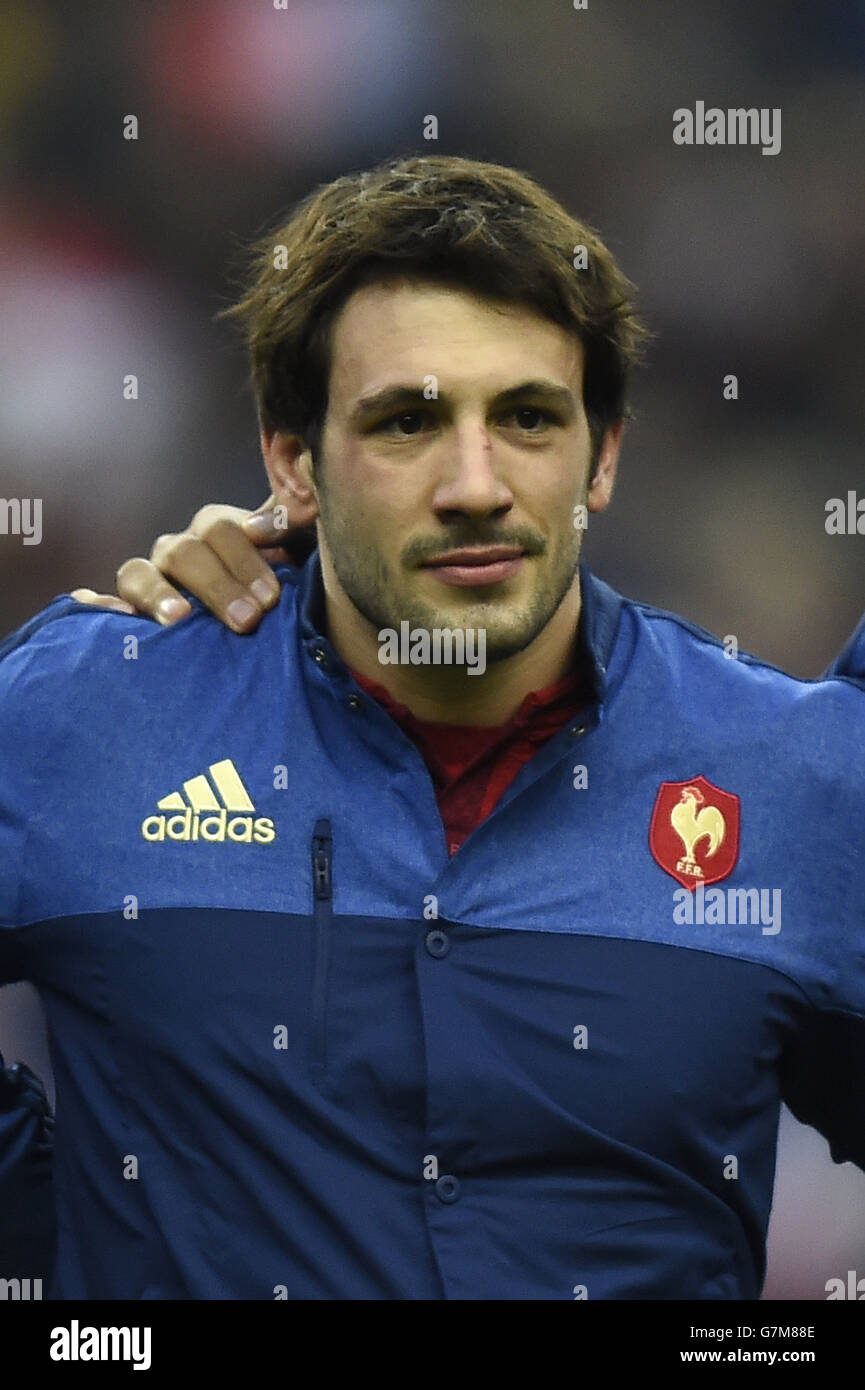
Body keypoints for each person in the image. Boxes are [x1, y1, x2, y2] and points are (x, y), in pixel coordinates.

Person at [1, 154, 863, 1300]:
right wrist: (57, 1260)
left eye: (526, 417)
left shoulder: (796, 778)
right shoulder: (86, 711)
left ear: (601, 456)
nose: (475, 481)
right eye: (408, 420)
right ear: (291, 463)